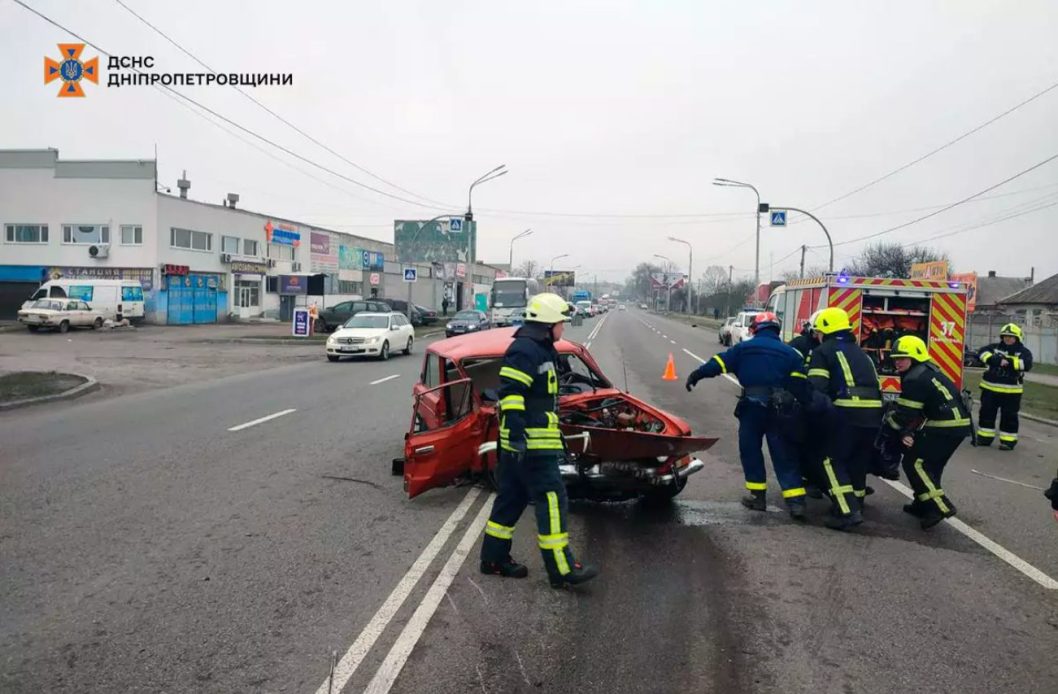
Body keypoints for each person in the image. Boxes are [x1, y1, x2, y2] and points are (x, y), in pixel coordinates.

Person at [479, 292, 599, 589]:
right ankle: (562, 569)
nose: (564, 327)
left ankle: (493, 559)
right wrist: (519, 437)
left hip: (523, 444)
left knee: (511, 499)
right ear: (547, 324)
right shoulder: (526, 350)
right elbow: (512, 395)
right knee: (552, 500)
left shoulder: (540, 350)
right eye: (561, 322)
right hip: (530, 446)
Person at [686, 312, 810, 520]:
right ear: (777, 330)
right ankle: (796, 503)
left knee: (750, 450)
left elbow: (717, 364)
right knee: (784, 454)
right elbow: (800, 386)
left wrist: (696, 375)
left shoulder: (743, 349)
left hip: (752, 407)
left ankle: (758, 498)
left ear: (755, 329)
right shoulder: (791, 354)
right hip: (781, 410)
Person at [806, 307, 883, 531]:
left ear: (826, 330)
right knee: (858, 461)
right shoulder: (862, 353)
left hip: (845, 414)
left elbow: (817, 388)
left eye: (818, 331)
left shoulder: (823, 352)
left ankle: (846, 512)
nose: (817, 335)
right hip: (873, 416)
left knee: (830, 459)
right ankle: (857, 503)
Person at [885, 336, 971, 529]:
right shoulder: (927, 370)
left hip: (945, 426)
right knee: (931, 465)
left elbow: (905, 415)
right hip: (955, 425)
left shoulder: (914, 378)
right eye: (896, 358)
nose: (897, 361)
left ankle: (939, 506)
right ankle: (922, 505)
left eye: (902, 358)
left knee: (913, 462)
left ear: (915, 358)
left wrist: (889, 426)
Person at [975, 323, 1033, 450]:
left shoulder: (1023, 352)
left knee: (1009, 417)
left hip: (1012, 392)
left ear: (1017, 338)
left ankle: (1008, 441)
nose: (1007, 339)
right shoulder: (995, 348)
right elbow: (981, 353)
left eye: (1011, 337)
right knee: (986, 414)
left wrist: (1009, 362)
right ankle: (984, 438)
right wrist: (995, 360)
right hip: (990, 389)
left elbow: (1026, 364)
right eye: (1005, 336)